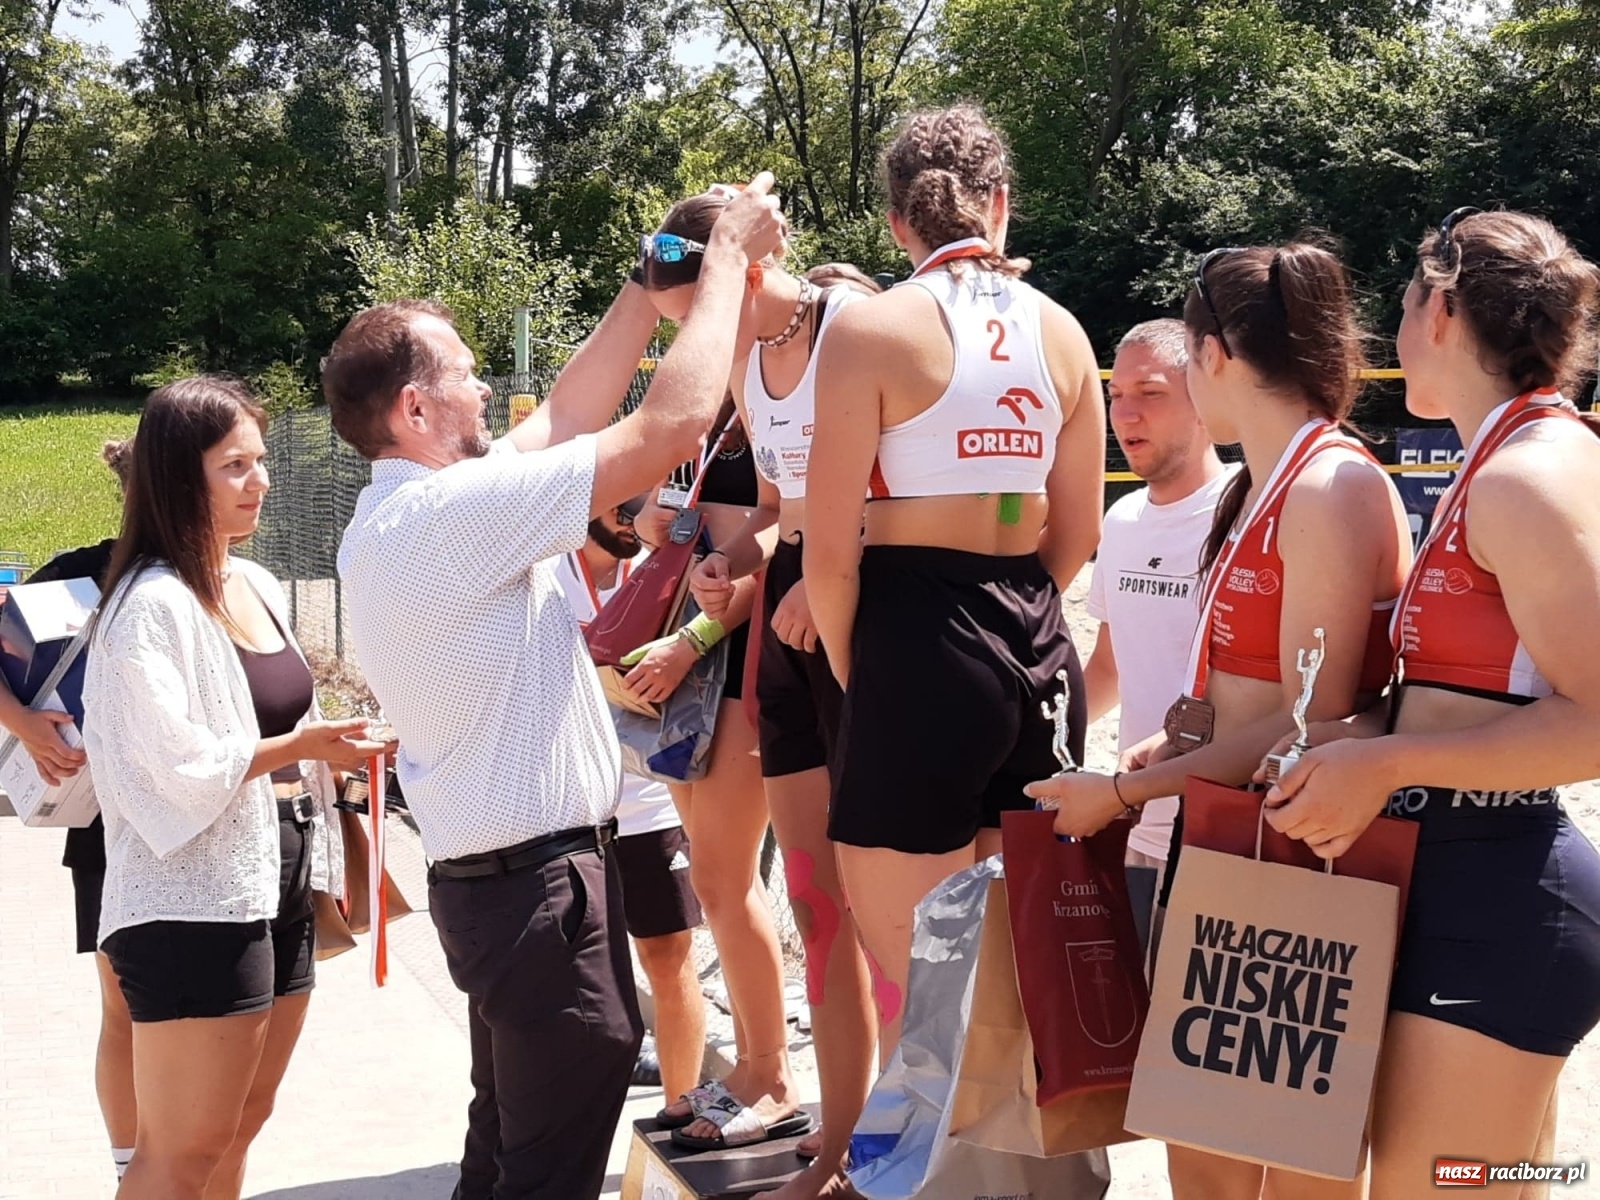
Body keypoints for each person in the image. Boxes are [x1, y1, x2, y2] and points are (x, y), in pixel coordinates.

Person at [327, 175, 783, 1200]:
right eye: (468, 375)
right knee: (543, 1173)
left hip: (510, 892)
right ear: (415, 408)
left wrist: (647, 276)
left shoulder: (416, 513)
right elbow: (666, 426)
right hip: (534, 896)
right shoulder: (454, 518)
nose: (489, 390)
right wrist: (717, 272)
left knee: (504, 1158)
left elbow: (574, 408)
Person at [1029, 241, 1411, 1199]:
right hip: (1231, 845)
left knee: (1287, 1170)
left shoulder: (1329, 486)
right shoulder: (1265, 484)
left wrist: (1124, 788)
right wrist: (1176, 743)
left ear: (1218, 355)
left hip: (1289, 867)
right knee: (1205, 1161)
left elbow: (1310, 733)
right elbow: (1259, 697)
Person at [1260, 209, 1600, 1199]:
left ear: (1440, 311)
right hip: (1461, 881)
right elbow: (1469, 690)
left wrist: (1387, 762)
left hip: (1501, 898)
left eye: (1402, 303)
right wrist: (1356, 741)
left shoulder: (1527, 476)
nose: (1390, 330)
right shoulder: (1510, 459)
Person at [804, 104, 1106, 1076]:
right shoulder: (1061, 332)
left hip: (913, 632)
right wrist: (1012, 612)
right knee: (1024, 978)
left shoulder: (872, 329)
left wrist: (872, 674)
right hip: (1034, 634)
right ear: (1002, 205)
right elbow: (1080, 532)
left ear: (897, 225)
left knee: (922, 999)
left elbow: (829, 554)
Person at [81, 377, 383, 1200]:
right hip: (190, 900)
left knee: (242, 1121)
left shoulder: (249, 582)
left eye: (261, 460)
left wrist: (340, 750)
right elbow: (167, 768)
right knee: (179, 1151)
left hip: (276, 878)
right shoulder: (149, 605)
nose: (263, 482)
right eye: (237, 465)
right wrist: (297, 744)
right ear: (182, 476)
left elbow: (298, 715)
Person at [634, 195, 882, 1172]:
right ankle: (832, 1130)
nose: (692, 343)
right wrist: (732, 563)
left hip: (866, 636)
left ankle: (868, 1128)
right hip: (783, 645)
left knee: (876, 909)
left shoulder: (858, 334)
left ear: (745, 268)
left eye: (697, 312)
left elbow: (900, 497)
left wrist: (816, 577)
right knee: (816, 903)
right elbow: (780, 507)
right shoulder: (743, 366)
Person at [0, 439, 135, 1183]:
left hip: (221, 825)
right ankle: (132, 1171)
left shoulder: (228, 576)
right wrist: (20, 721)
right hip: (105, 825)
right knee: (125, 1010)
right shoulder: (79, 575)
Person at [1081, 321, 1231, 962]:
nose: (1125, 413)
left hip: (1220, 832)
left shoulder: (1246, 509)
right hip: (1137, 822)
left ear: (1202, 393)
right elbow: (1111, 666)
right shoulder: (1121, 519)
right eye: (1115, 396)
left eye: (1150, 392)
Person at [552, 500, 707, 1114]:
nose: (634, 516)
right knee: (565, 977)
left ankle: (680, 1109)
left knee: (669, 961)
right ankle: (564, 1123)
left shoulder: (665, 570)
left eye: (644, 502)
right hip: (562, 807)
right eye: (621, 503)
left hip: (649, 804)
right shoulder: (542, 572)